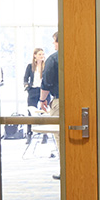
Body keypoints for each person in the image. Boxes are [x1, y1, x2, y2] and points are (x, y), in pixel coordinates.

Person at [40, 33, 60, 178]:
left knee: (60, 136)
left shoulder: (53, 58)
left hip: (60, 102)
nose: (54, 45)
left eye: (54, 42)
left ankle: (65, 169)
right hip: (80, 101)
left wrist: (42, 100)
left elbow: (47, 83)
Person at [23, 47, 45, 144]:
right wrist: (27, 86)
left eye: (43, 54)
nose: (42, 56)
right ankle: (29, 134)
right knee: (30, 112)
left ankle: (45, 134)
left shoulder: (46, 66)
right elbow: (25, 78)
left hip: (43, 90)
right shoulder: (30, 66)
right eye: (40, 54)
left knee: (44, 111)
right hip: (33, 90)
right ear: (35, 56)